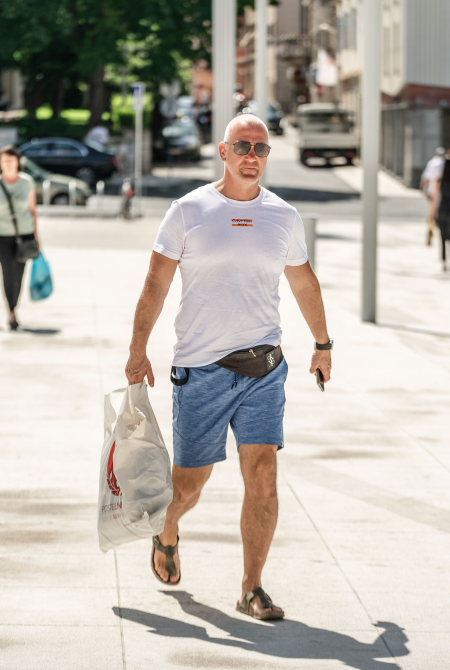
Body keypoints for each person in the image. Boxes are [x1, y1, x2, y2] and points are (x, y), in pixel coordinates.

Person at [125, 113, 332, 621]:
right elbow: (155, 284)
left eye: (261, 149)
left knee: (263, 473)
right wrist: (138, 349)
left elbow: (304, 283)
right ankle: (166, 528)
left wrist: (323, 343)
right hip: (202, 369)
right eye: (242, 146)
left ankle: (251, 587)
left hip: (265, 367)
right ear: (223, 152)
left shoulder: (283, 216)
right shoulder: (189, 210)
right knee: (189, 485)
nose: (251, 156)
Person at [0, 145, 39, 331]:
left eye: (11, 159)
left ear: (18, 162)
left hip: (25, 234)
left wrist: (37, 237)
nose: (8, 163)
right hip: (1, 235)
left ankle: (14, 305)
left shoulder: (27, 182)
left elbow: (33, 211)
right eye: (4, 160)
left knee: (19, 273)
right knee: (7, 271)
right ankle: (11, 311)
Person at [420, 147, 446, 246]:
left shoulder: (432, 163)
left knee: (431, 212)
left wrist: (423, 188)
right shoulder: (446, 164)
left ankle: (430, 228)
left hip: (432, 190)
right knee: (440, 212)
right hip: (443, 191)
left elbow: (426, 177)